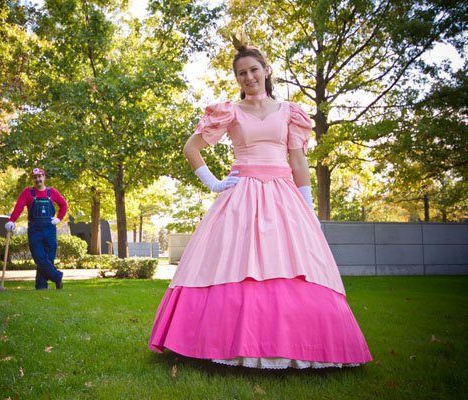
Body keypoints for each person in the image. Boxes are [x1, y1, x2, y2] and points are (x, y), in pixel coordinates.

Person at [148, 37, 372, 369]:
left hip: (283, 195)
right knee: (235, 265)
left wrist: (308, 208)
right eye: (241, 73)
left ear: (267, 71)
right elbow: (190, 148)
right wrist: (214, 183)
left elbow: (298, 162)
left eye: (254, 70)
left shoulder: (290, 112)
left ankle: (299, 348)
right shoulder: (230, 112)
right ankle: (227, 346)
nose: (248, 77)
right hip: (241, 195)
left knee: (294, 266)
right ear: (236, 79)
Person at [5, 168, 67, 290]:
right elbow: (19, 207)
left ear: (44, 177)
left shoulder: (52, 192)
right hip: (35, 230)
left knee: (48, 258)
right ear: (33, 179)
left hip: (50, 229)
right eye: (35, 177)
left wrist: (59, 218)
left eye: (40, 176)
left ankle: (41, 286)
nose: (38, 179)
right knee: (39, 257)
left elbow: (63, 205)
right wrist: (12, 220)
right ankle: (57, 277)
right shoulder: (27, 192)